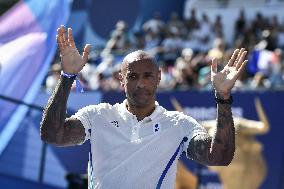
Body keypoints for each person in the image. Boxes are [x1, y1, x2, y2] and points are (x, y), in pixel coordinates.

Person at [40, 25, 248, 189]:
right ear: (121, 80)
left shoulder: (179, 125)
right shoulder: (97, 116)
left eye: (148, 75)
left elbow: (219, 157)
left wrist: (223, 97)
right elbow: (52, 135)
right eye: (132, 76)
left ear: (158, 77)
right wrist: (68, 77)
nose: (140, 83)